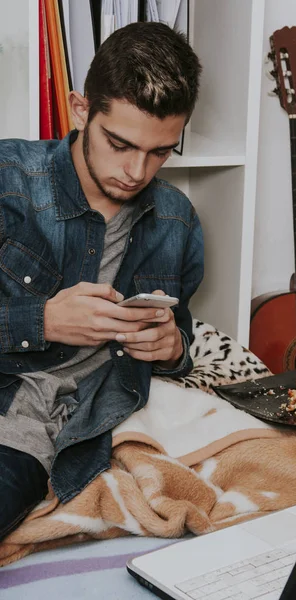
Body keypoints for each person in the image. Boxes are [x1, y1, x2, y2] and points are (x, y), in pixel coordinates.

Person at [0, 22, 203, 541]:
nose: (137, 171)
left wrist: (170, 345)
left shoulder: (176, 220)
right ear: (80, 109)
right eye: (120, 143)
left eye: (160, 152)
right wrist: (41, 319)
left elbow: (180, 335)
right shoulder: (9, 181)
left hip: (44, 433)